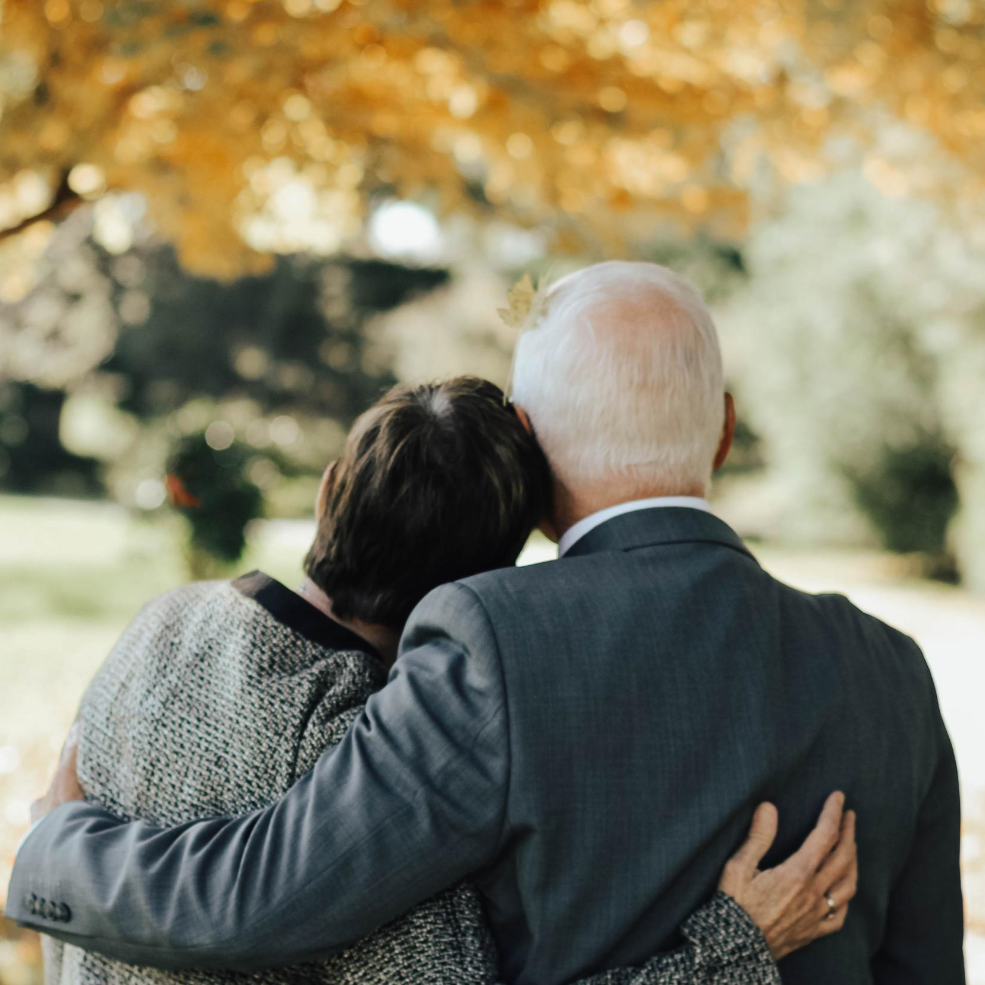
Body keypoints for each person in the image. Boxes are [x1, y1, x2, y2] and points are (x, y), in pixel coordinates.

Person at [9, 262, 961, 984]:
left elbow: (261, 898)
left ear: (533, 448)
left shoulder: (485, 640)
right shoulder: (894, 672)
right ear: (720, 427)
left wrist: (56, 846)